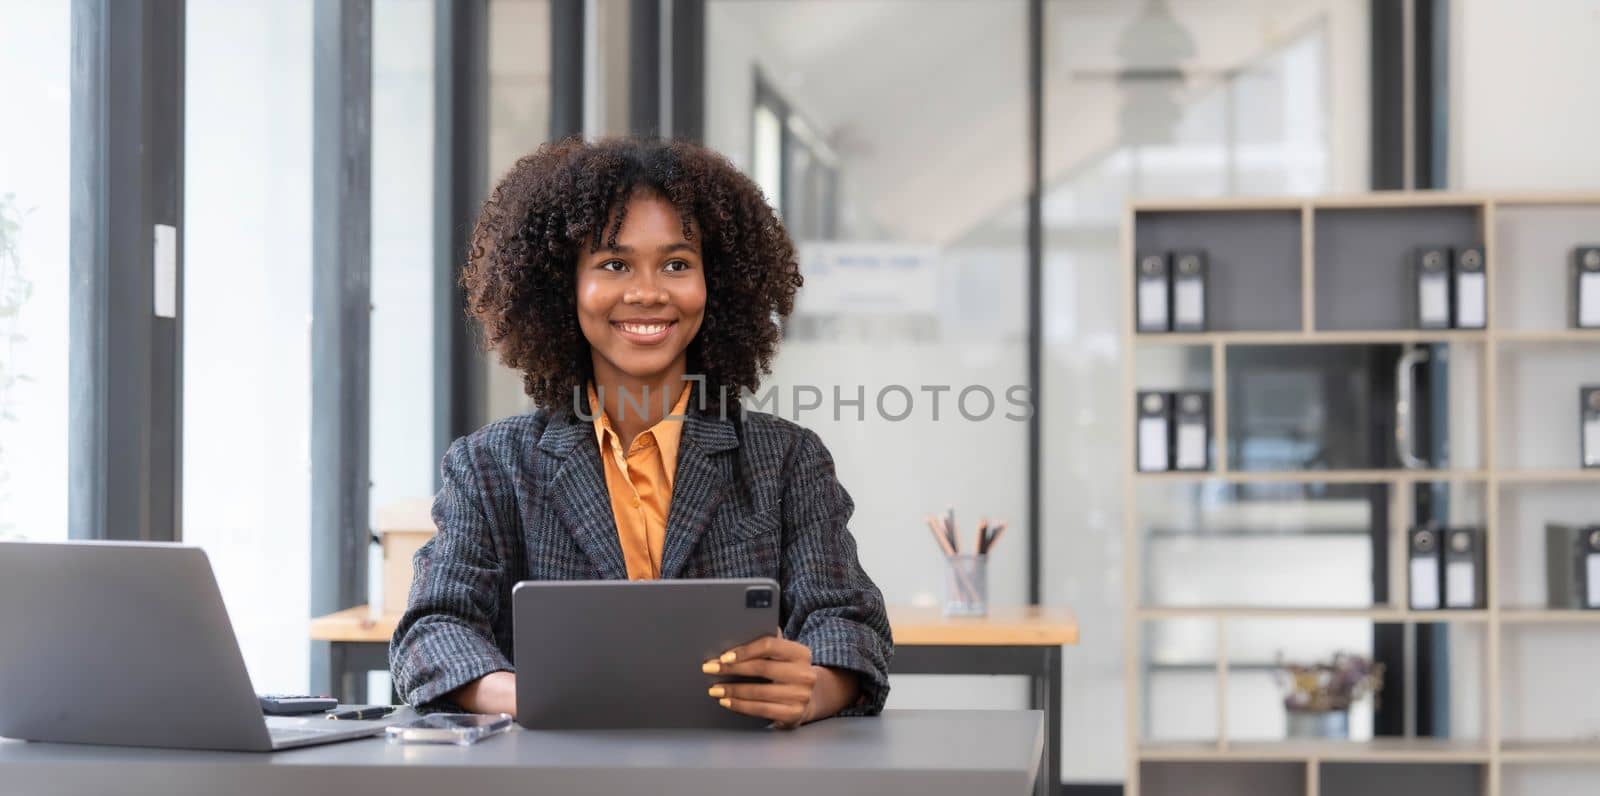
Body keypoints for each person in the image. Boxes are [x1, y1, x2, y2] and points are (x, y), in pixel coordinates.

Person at [389, 137, 893, 728]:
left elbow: (851, 626)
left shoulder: (785, 460)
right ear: (563, 286)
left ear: (717, 284)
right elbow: (430, 632)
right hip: (551, 775)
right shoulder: (490, 465)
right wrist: (530, 695)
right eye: (614, 264)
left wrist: (813, 688)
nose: (648, 292)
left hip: (735, 774)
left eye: (677, 264)